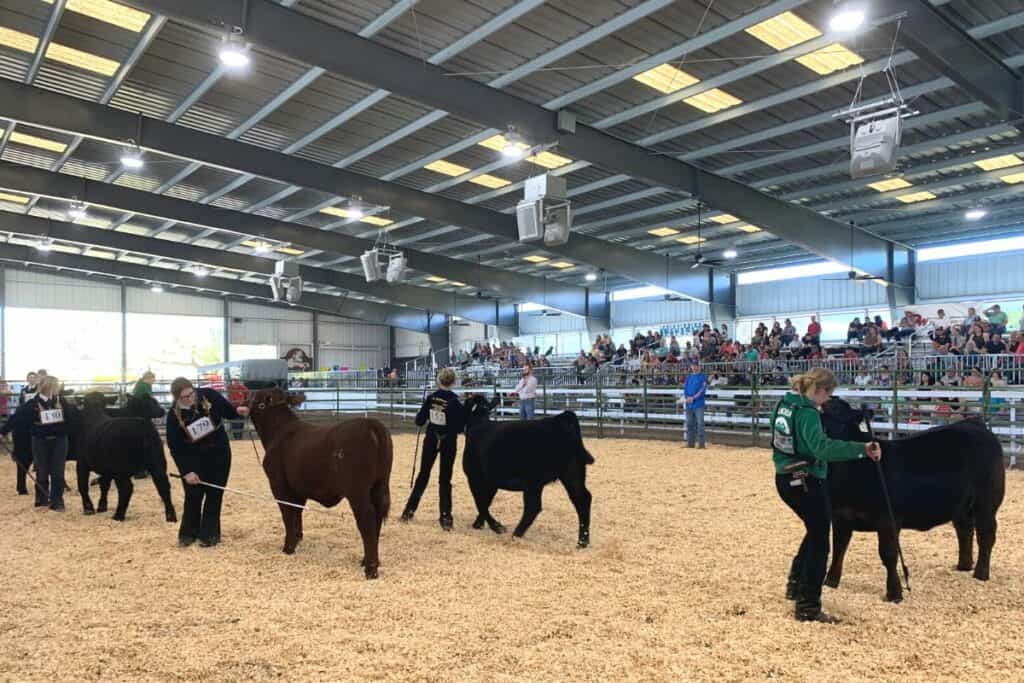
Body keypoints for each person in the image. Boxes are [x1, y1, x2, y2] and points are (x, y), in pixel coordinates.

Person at [771, 368, 881, 623]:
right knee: (821, 540)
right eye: (828, 394)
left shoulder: (785, 403)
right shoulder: (808, 412)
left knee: (815, 529)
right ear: (820, 390)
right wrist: (861, 449)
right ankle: (808, 606)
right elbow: (821, 448)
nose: (827, 400)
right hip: (806, 479)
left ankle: (795, 584)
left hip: (784, 475)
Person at [165, 377, 249, 547]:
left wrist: (238, 411)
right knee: (193, 495)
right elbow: (175, 447)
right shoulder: (173, 415)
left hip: (219, 454)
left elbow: (228, 411)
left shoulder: (208, 395)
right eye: (184, 397)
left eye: (191, 394)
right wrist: (186, 471)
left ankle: (209, 536)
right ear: (176, 398)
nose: (190, 399)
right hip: (193, 458)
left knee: (214, 495)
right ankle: (188, 534)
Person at [400, 368, 463, 530]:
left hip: (431, 439)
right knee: (445, 478)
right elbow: (459, 427)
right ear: (453, 382)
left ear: (439, 381)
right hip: (448, 442)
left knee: (423, 474)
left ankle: (409, 510)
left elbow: (419, 421)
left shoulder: (430, 398)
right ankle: (445, 517)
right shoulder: (455, 402)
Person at [2, 376, 73, 510]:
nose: (57, 388)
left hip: (59, 441)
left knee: (58, 471)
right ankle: (41, 499)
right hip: (40, 441)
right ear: (49, 387)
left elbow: (71, 420)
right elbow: (17, 418)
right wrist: (3, 431)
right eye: (56, 385)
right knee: (42, 470)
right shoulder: (33, 404)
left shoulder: (61, 402)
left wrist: (66, 430)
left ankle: (57, 501)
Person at [681, 360, 707, 449]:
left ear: (699, 366)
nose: (694, 367)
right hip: (689, 403)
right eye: (693, 365)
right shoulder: (689, 377)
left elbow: (702, 390)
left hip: (698, 403)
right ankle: (690, 443)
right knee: (689, 424)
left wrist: (693, 398)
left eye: (696, 365)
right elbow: (685, 389)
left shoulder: (702, 377)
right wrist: (687, 398)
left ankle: (701, 444)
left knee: (700, 424)